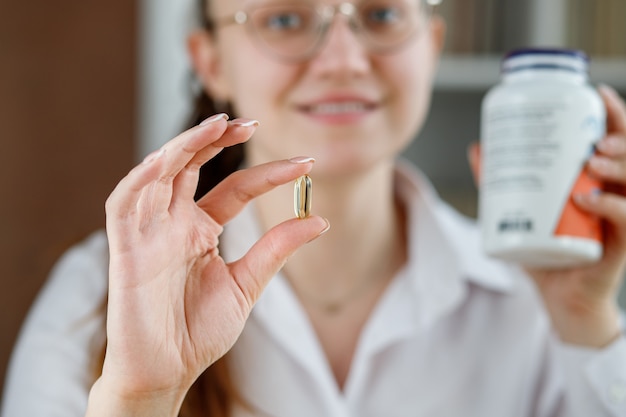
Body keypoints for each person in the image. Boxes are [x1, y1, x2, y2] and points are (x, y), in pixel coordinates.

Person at [3, 0, 626, 416]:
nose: (344, 60)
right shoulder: (97, 296)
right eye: (284, 20)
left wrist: (586, 322)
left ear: (432, 45)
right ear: (211, 60)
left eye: (381, 13)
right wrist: (141, 399)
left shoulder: (536, 299)